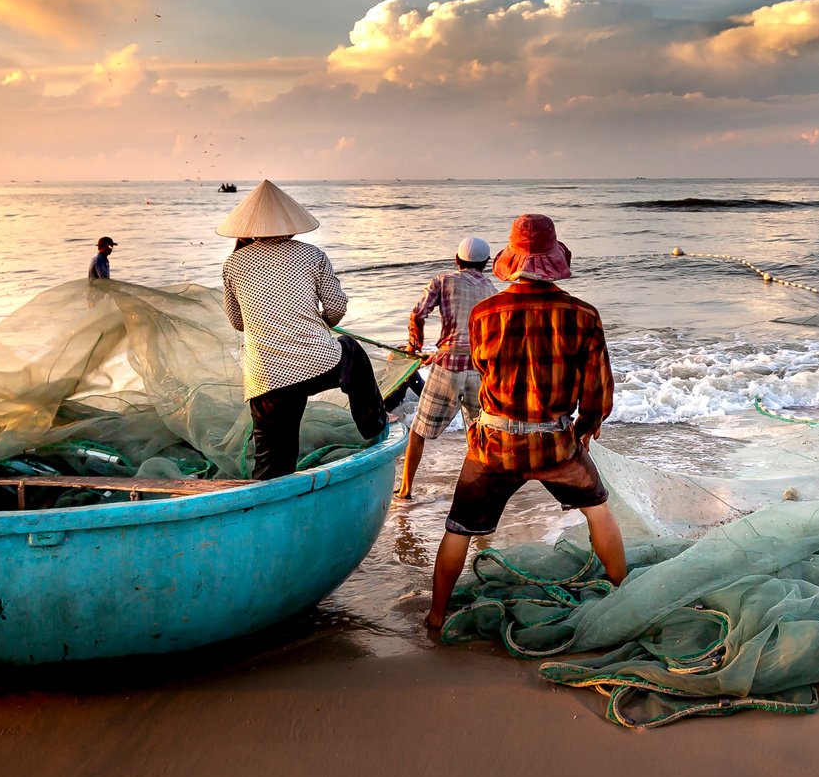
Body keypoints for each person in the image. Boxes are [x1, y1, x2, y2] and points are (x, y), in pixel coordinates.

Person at [427, 213, 625, 628]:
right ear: (554, 260)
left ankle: (435, 614)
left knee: (459, 528)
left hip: (494, 444)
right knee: (598, 510)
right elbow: (598, 391)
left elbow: (484, 369)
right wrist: (587, 427)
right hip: (556, 442)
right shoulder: (584, 315)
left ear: (510, 260)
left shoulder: (483, 314)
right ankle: (622, 599)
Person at [219, 179, 387, 479]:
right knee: (350, 350)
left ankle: (268, 512)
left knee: (272, 464)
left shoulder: (233, 263)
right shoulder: (312, 255)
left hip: (266, 380)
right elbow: (336, 309)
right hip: (316, 365)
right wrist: (320, 320)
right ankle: (373, 424)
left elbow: (237, 322)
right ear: (290, 223)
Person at [396, 235, 499, 499]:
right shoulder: (492, 292)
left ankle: (406, 490)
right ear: (486, 264)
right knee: (478, 435)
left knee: (419, 430)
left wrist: (414, 346)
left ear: (457, 260)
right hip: (480, 370)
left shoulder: (442, 280)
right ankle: (480, 491)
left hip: (448, 367)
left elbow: (418, 314)